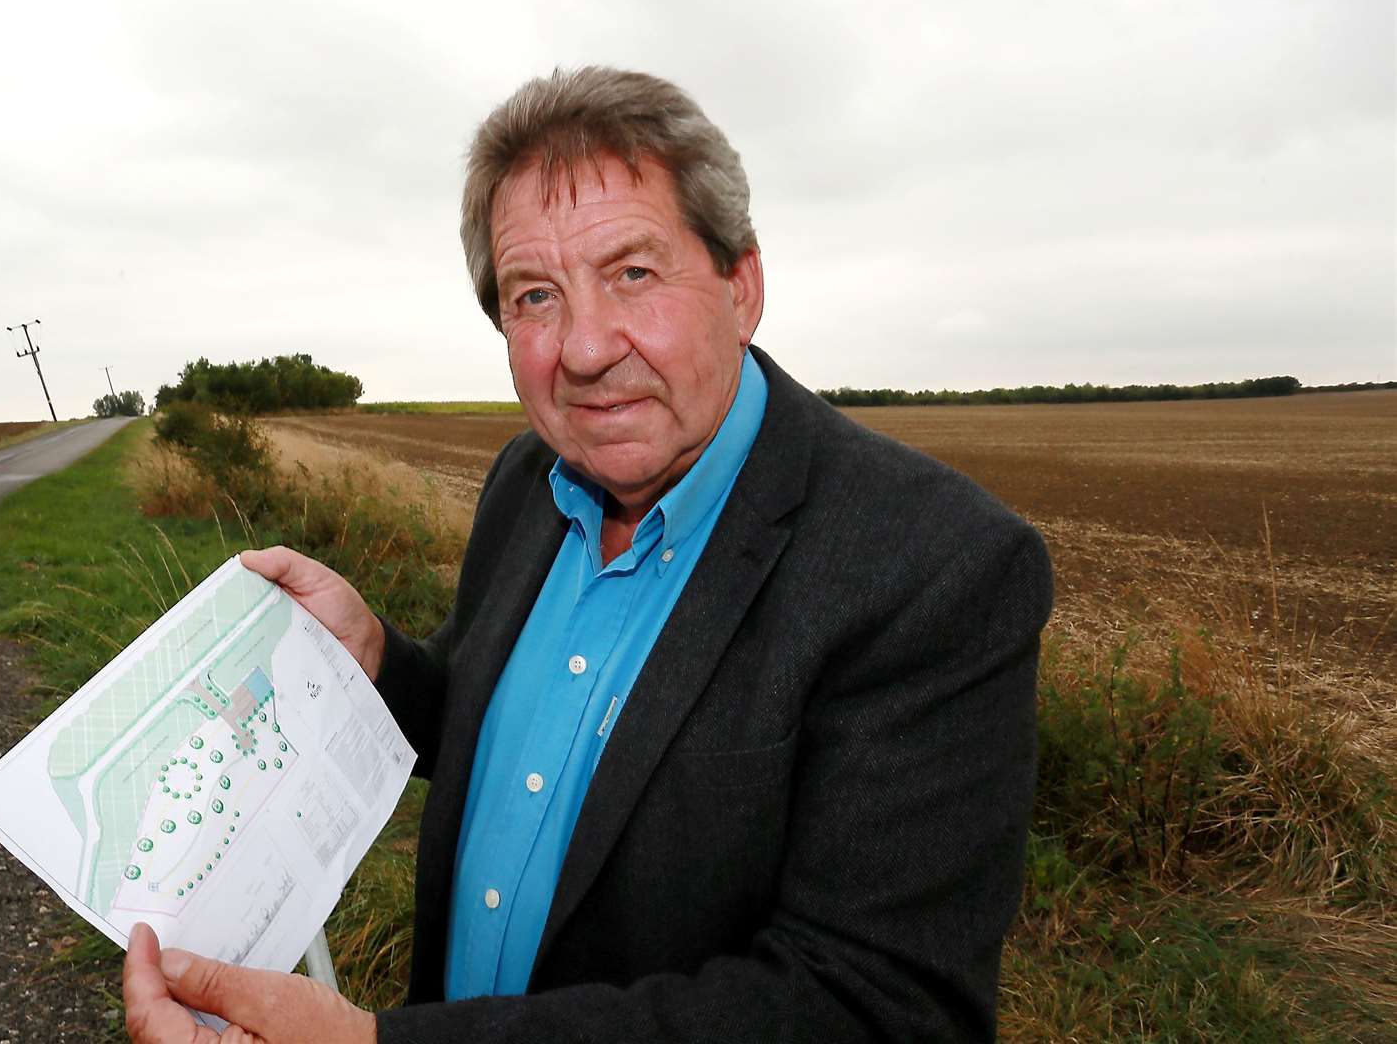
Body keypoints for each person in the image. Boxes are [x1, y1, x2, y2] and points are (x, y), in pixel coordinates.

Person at [123, 66, 1052, 1043]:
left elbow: (877, 1009)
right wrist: (379, 667)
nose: (584, 347)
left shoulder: (933, 569)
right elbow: (507, 738)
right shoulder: (530, 479)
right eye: (535, 295)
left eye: (633, 274)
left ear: (741, 286)